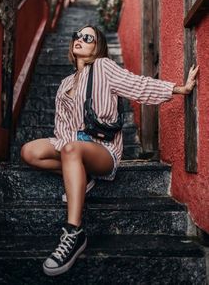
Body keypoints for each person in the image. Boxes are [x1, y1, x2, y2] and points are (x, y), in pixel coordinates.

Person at [20, 25, 199, 277]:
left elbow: (136, 85)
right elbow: (62, 128)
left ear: (98, 46)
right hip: (73, 146)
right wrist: (70, 150)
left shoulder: (104, 67)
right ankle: (80, 174)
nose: (79, 40)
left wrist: (178, 89)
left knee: (71, 148)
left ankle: (74, 233)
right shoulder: (64, 84)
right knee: (29, 151)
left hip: (103, 151)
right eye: (77, 36)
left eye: (87, 37)